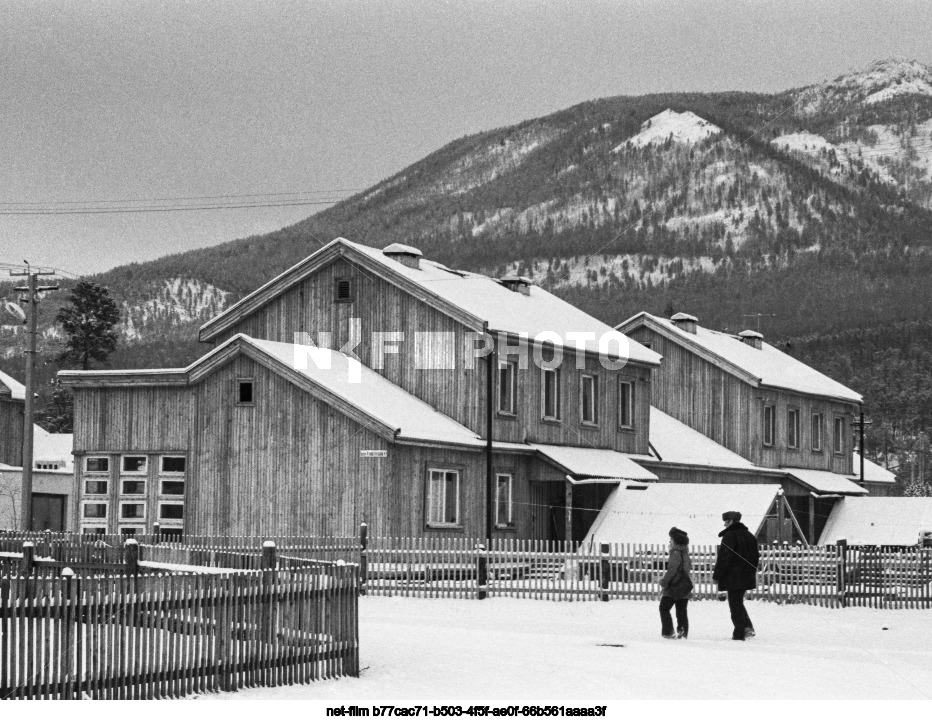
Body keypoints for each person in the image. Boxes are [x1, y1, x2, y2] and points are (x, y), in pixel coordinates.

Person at [713, 510, 760, 641]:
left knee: (735, 605)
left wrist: (717, 575)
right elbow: (756, 557)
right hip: (746, 575)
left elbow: (724, 558)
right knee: (738, 602)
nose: (724, 525)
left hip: (733, 576)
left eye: (726, 522)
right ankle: (747, 627)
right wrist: (750, 571)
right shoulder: (750, 536)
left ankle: (739, 633)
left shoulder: (730, 536)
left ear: (731, 521)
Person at [659, 526, 693, 639]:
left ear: (675, 542)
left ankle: (668, 632)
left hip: (673, 587)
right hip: (684, 587)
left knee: (664, 608)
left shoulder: (675, 554)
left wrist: (664, 582)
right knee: (681, 611)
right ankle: (682, 632)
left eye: (671, 540)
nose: (669, 542)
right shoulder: (686, 555)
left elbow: (672, 570)